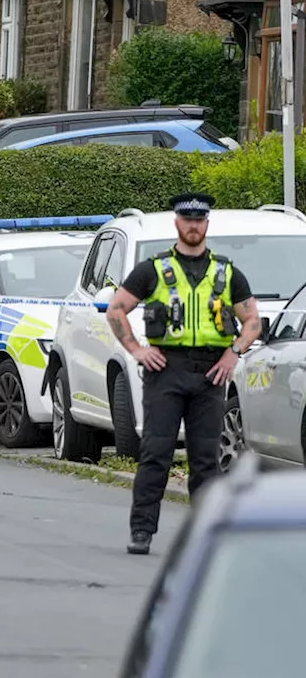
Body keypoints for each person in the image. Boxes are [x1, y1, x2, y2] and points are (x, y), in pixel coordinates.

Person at [104, 192, 261, 556]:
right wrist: (137, 350)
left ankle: (204, 535)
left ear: (207, 224)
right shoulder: (153, 270)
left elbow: (252, 321)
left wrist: (233, 354)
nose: (193, 226)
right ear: (177, 223)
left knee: (206, 460)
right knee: (156, 453)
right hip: (166, 371)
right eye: (187, 220)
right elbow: (116, 310)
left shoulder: (226, 272)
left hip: (211, 376)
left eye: (200, 220)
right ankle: (142, 531)